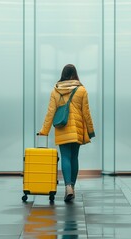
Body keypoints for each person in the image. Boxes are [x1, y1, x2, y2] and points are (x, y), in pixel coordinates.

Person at [39, 64, 95, 202]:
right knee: (74, 157)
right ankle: (73, 188)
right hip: (77, 129)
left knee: (65, 157)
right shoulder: (81, 90)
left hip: (62, 128)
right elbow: (86, 113)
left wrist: (44, 131)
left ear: (63, 75)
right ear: (74, 75)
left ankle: (68, 186)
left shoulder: (55, 91)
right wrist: (90, 130)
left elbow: (50, 113)